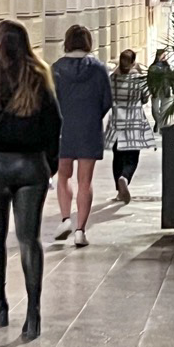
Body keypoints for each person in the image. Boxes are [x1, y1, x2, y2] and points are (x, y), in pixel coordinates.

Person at [0, 21, 61, 341]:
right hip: (30, 166)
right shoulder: (39, 74)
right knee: (29, 240)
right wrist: (49, 163)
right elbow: (54, 122)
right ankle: (33, 314)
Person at [53, 25, 112, 247]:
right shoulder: (99, 69)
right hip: (89, 129)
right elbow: (107, 100)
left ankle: (65, 219)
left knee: (63, 176)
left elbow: (50, 101)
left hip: (62, 129)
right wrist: (93, 116)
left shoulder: (56, 69)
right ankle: (80, 231)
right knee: (85, 181)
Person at [104, 49, 155, 204]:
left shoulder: (113, 78)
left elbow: (107, 97)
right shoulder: (139, 79)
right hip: (134, 122)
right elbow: (145, 98)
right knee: (132, 157)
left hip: (117, 122)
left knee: (117, 157)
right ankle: (124, 178)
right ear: (133, 62)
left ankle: (119, 191)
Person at [148, 49, 172, 132]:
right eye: (163, 55)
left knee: (164, 108)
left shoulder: (167, 67)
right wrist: (150, 89)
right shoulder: (153, 67)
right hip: (155, 89)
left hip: (165, 89)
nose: (164, 57)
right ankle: (158, 121)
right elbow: (149, 79)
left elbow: (172, 78)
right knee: (155, 108)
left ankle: (162, 126)